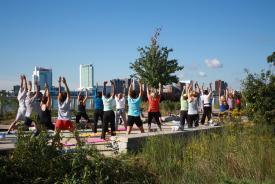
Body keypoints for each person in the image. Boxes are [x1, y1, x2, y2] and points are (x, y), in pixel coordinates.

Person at [55, 77, 80, 143]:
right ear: (66, 97)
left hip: (59, 121)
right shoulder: (67, 102)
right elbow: (68, 93)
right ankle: (79, 143)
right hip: (67, 121)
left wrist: (59, 83)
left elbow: (59, 92)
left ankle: (56, 144)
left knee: (56, 134)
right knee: (75, 132)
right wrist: (65, 83)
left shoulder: (58, 102)